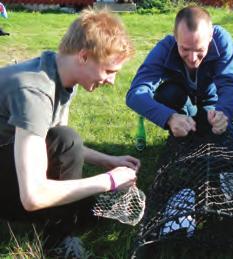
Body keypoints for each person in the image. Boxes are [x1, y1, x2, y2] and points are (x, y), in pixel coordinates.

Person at [0, 8, 139, 255]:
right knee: (69, 146)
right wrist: (108, 180)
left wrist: (110, 161)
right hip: (20, 186)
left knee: (69, 151)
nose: (111, 81)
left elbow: (54, 141)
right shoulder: (34, 92)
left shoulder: (60, 75)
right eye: (108, 71)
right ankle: (59, 241)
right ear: (83, 57)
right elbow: (33, 195)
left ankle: (68, 217)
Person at [126, 6, 233, 137]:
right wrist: (169, 117)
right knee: (167, 93)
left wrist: (223, 113)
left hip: (212, 106)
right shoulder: (165, 48)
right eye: (185, 49)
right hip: (180, 103)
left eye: (199, 50)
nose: (192, 58)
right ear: (175, 37)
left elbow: (229, 85)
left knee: (212, 134)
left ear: (210, 37)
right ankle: (182, 130)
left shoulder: (222, 41)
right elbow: (136, 93)